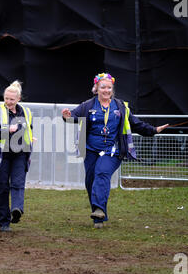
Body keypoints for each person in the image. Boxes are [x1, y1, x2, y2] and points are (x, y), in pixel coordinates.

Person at [62, 73, 169, 229]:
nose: (106, 90)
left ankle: (99, 209)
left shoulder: (120, 106)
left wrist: (153, 130)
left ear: (112, 90)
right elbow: (73, 117)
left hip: (112, 150)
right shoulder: (87, 105)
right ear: (96, 89)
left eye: (109, 88)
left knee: (102, 173)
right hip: (91, 150)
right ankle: (98, 216)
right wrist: (67, 116)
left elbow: (135, 124)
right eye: (103, 87)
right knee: (91, 181)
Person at [0, 80, 34, 232]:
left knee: (18, 183)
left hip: (20, 153)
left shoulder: (26, 112)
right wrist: (8, 129)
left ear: (18, 99)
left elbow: (28, 128)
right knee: (2, 187)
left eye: (12, 99)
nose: (8, 102)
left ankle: (17, 210)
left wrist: (31, 138)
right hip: (2, 154)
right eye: (6, 98)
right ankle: (4, 222)